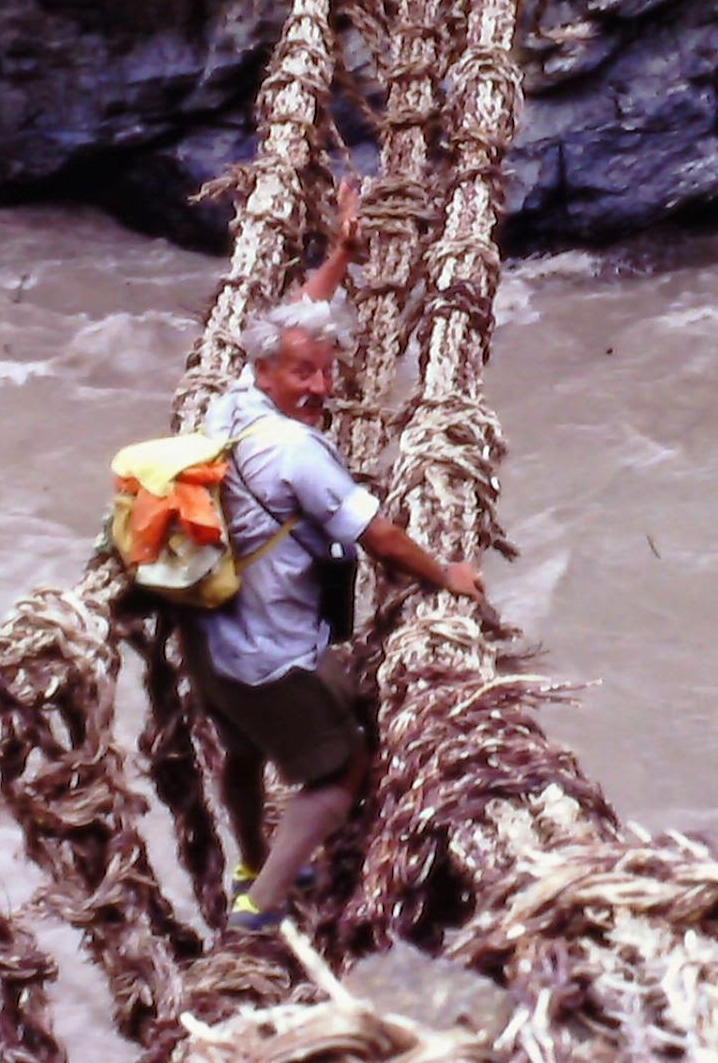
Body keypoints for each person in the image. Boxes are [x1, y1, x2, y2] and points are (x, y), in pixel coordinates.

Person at [186, 180, 484, 932]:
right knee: (341, 765)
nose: (322, 387)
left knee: (244, 750)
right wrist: (447, 574)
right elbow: (379, 537)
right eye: (304, 374)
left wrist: (342, 255)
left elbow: (297, 310)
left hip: (207, 634)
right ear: (268, 371)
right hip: (266, 653)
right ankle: (262, 904)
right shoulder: (296, 451)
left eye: (326, 371)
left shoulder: (234, 403)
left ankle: (251, 859)